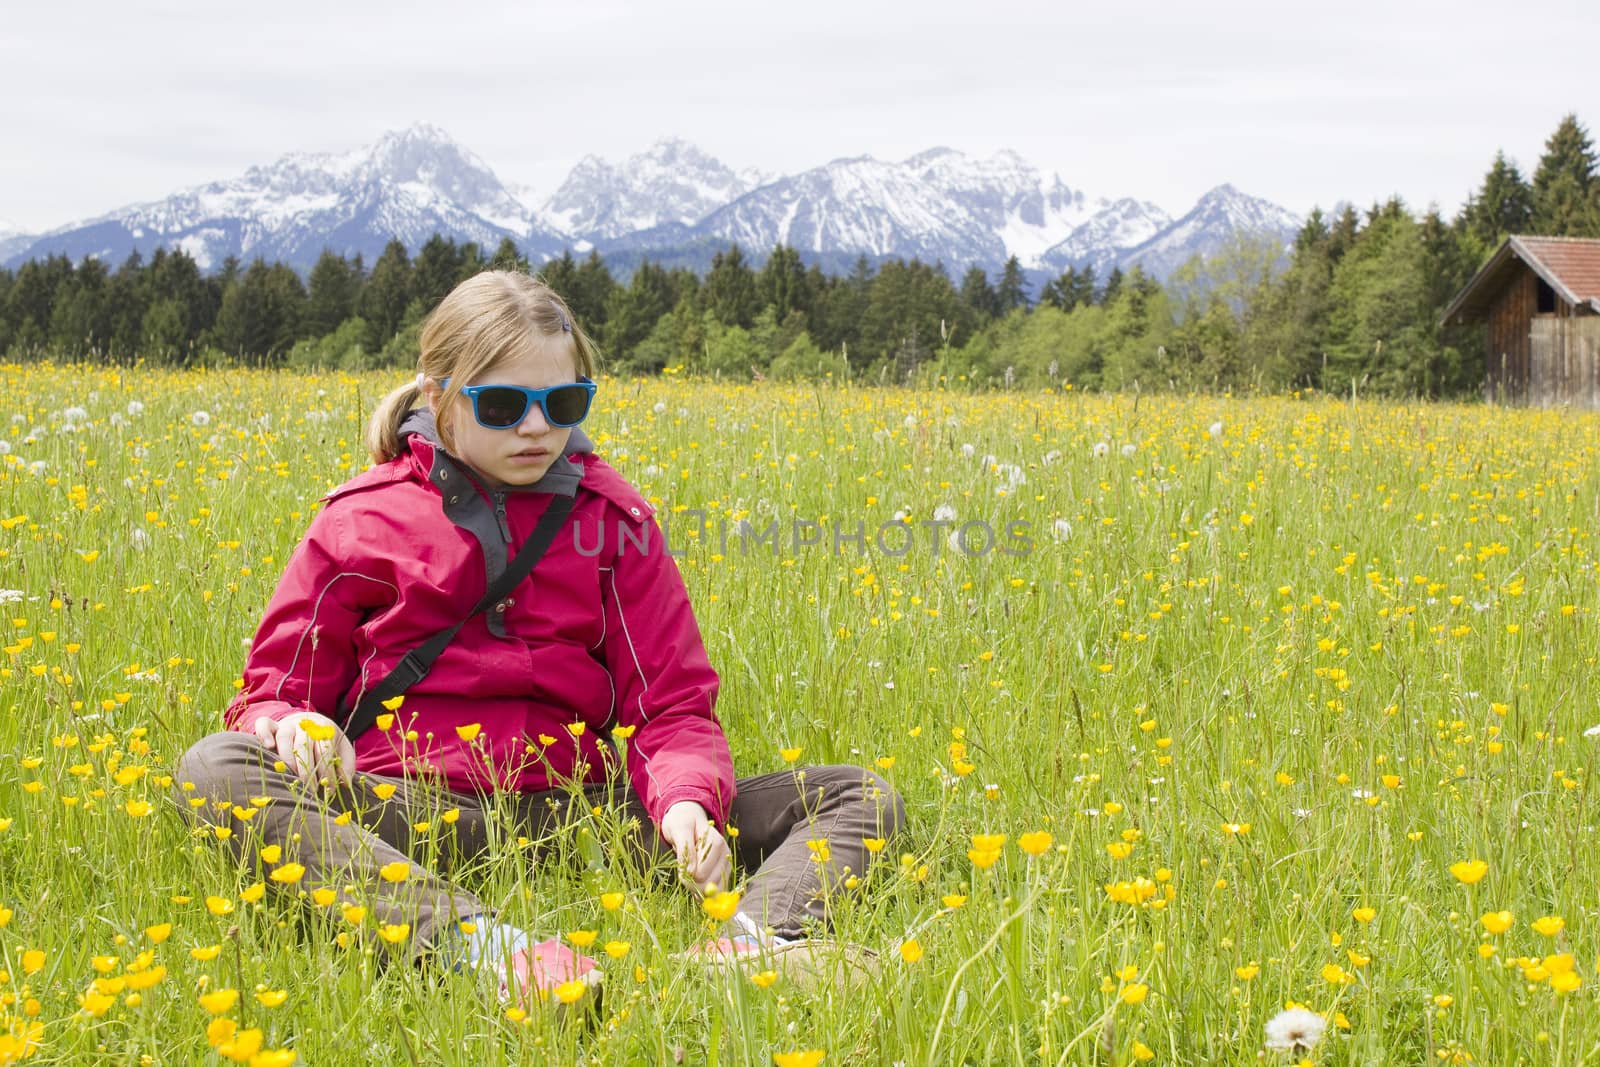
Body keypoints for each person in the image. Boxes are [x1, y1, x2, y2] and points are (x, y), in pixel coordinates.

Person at [175, 271, 904, 1003]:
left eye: (562, 404)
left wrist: (685, 803)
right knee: (215, 769)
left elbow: (673, 705)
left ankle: (739, 957)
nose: (535, 428)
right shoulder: (359, 520)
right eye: (501, 405)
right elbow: (272, 692)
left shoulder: (616, 522)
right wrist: (291, 723)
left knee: (856, 796)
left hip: (582, 815)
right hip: (405, 808)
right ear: (439, 399)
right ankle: (495, 955)